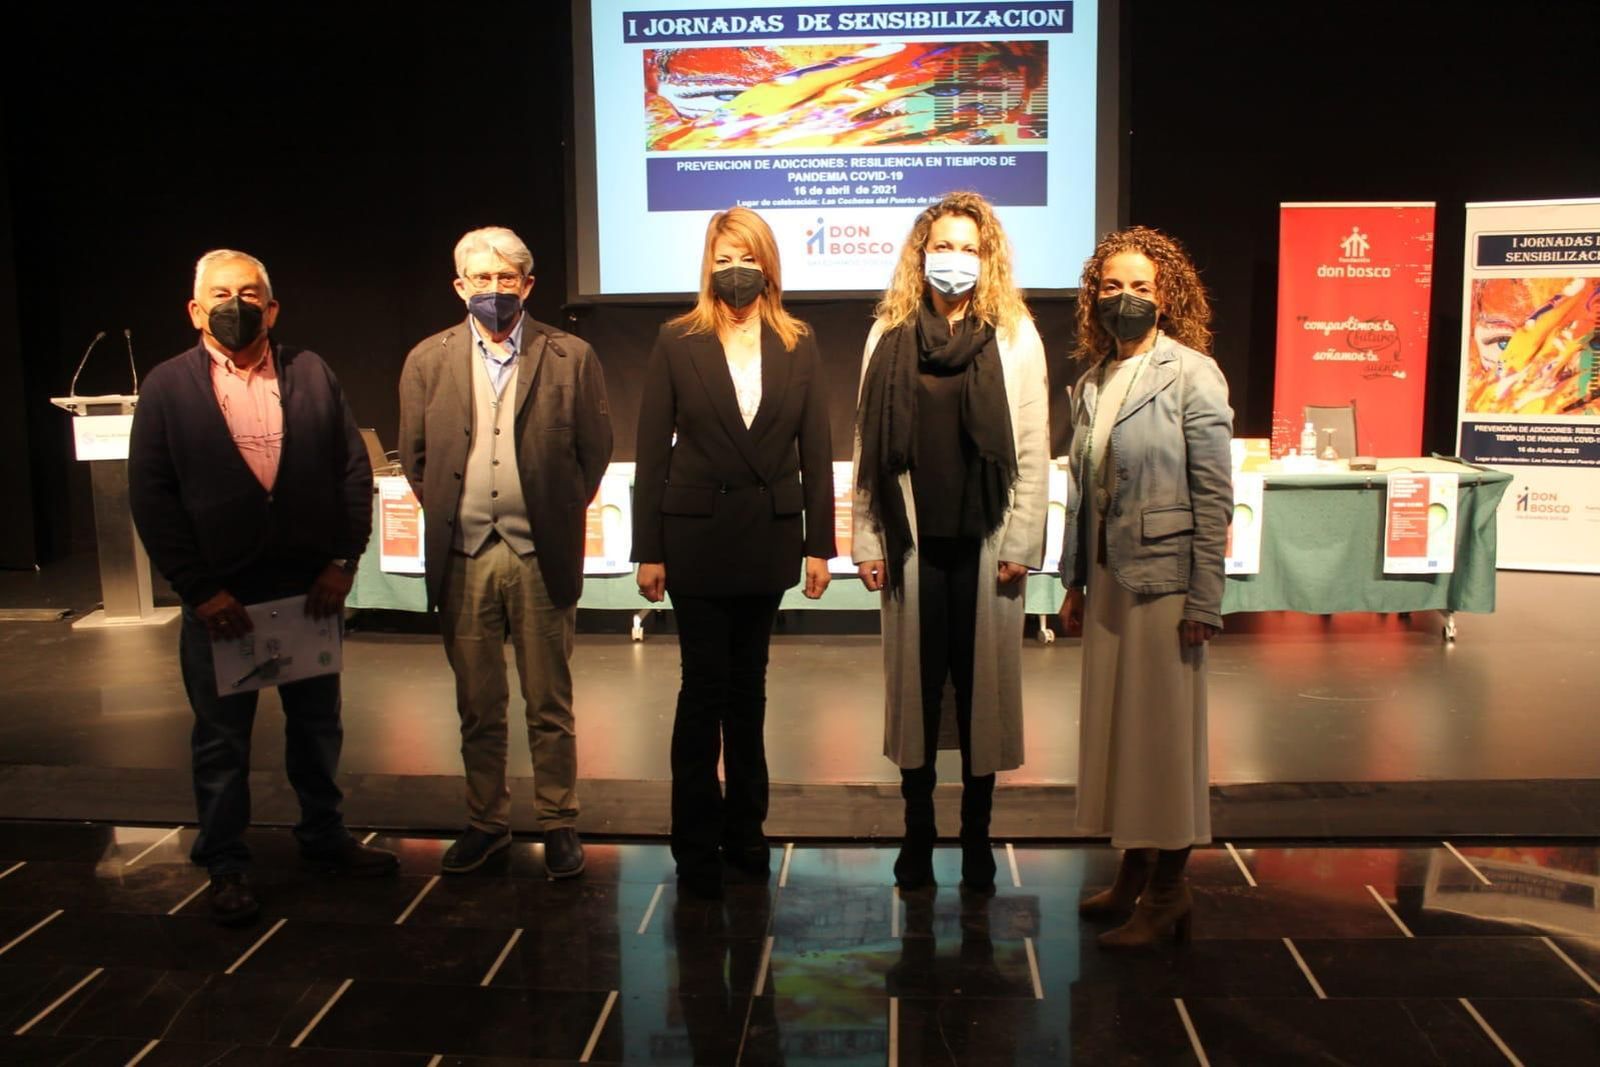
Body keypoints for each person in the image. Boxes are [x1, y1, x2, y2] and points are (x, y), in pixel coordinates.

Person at [129, 249, 397, 926]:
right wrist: (197, 589)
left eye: (250, 293)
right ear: (195, 309)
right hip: (222, 597)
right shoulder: (166, 386)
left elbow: (351, 471)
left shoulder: (311, 371)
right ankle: (225, 860)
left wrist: (343, 562)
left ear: (272, 307)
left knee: (318, 725)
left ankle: (324, 836)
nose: (236, 304)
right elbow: (152, 498)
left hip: (310, 587)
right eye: (221, 293)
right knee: (222, 739)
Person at [398, 226, 613, 878]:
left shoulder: (569, 355)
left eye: (505, 278)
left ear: (528, 283)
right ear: (460, 286)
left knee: (550, 702)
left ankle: (559, 820)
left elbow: (594, 451)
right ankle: (486, 819)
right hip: (464, 554)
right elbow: (416, 459)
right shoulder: (427, 360)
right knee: (478, 702)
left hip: (537, 554)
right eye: (480, 279)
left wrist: (549, 510)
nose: (493, 290)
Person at [633, 206, 835, 898]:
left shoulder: (799, 342)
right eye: (722, 258)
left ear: (769, 263)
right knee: (702, 692)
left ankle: (747, 831)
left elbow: (817, 451)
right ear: (706, 266)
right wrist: (646, 548)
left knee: (749, 694)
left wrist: (820, 547)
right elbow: (651, 451)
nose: (734, 270)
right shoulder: (676, 339)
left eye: (745, 257)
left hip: (768, 535)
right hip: (694, 538)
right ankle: (694, 841)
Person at [852, 191, 1050, 893]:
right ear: (921, 252)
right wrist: (866, 538)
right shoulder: (889, 335)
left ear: (987, 256)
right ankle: (916, 833)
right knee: (915, 694)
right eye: (944, 245)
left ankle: (975, 835)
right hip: (911, 546)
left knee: (980, 696)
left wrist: (1025, 536)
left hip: (988, 545)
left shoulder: (1016, 336)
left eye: (969, 247)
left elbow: (1031, 447)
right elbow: (868, 448)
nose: (955, 259)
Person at [1059, 225, 1233, 948]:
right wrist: (1072, 580)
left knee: (1162, 740)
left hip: (1164, 583)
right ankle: (1134, 871)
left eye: (1140, 287)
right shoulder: (1093, 380)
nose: (1124, 298)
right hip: (1108, 579)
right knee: (1122, 734)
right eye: (1112, 286)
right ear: (1093, 297)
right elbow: (1083, 492)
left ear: (1165, 298)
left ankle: (1169, 891)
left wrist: (1204, 599)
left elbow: (1214, 492)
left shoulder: (1193, 373)